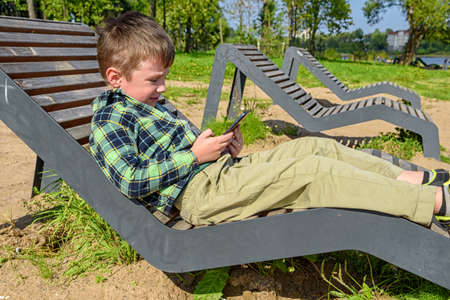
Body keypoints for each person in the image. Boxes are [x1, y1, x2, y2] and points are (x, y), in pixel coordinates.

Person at [89, 11, 449, 228]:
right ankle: (433, 204)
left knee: (313, 146)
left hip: (219, 174)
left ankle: (410, 179)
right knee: (311, 172)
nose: (163, 86)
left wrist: (222, 146)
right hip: (201, 194)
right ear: (115, 77)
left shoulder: (149, 103)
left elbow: (186, 148)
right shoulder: (111, 118)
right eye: (155, 79)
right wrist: (195, 156)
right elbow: (131, 179)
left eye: (164, 77)